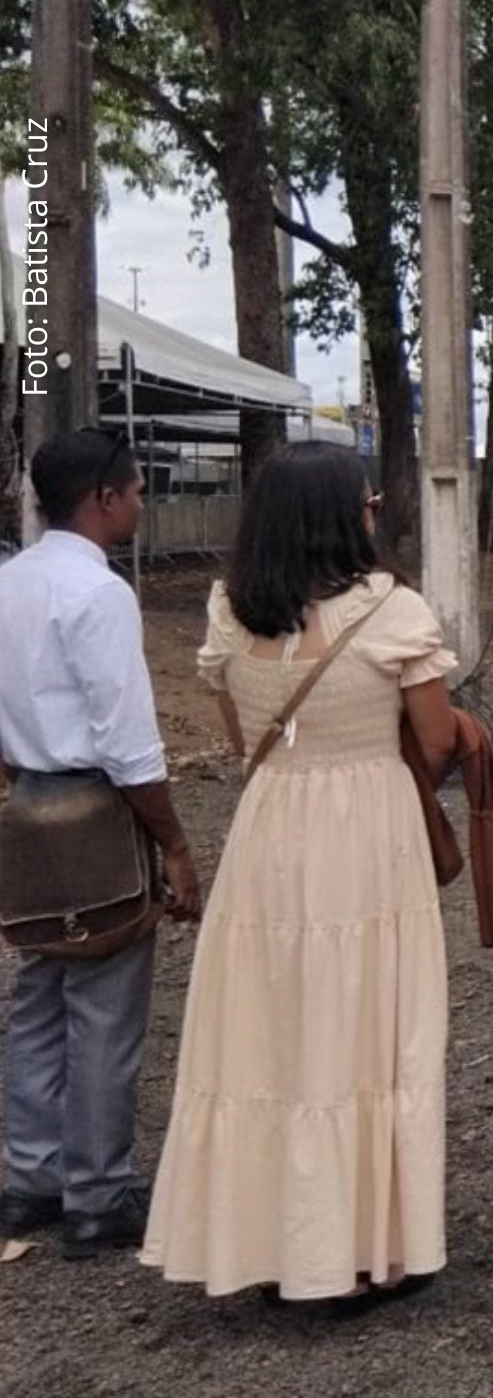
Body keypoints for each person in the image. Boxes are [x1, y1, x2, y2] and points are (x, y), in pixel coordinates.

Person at [141, 442, 455, 1303]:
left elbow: (246, 738)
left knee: (271, 1029)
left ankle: (271, 1240)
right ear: (343, 515)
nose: (374, 511)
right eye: (366, 502)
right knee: (368, 1025)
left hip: (272, 824)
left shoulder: (228, 613)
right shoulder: (393, 612)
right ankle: (368, 1246)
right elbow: (435, 743)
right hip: (370, 833)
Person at [0, 430, 200, 1260]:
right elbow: (126, 738)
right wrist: (176, 845)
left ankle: (28, 1179)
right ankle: (97, 1193)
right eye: (137, 491)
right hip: (95, 803)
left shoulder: (7, 582)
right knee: (108, 1009)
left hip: (26, 800)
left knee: (38, 992)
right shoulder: (101, 595)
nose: (141, 503)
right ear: (105, 499)